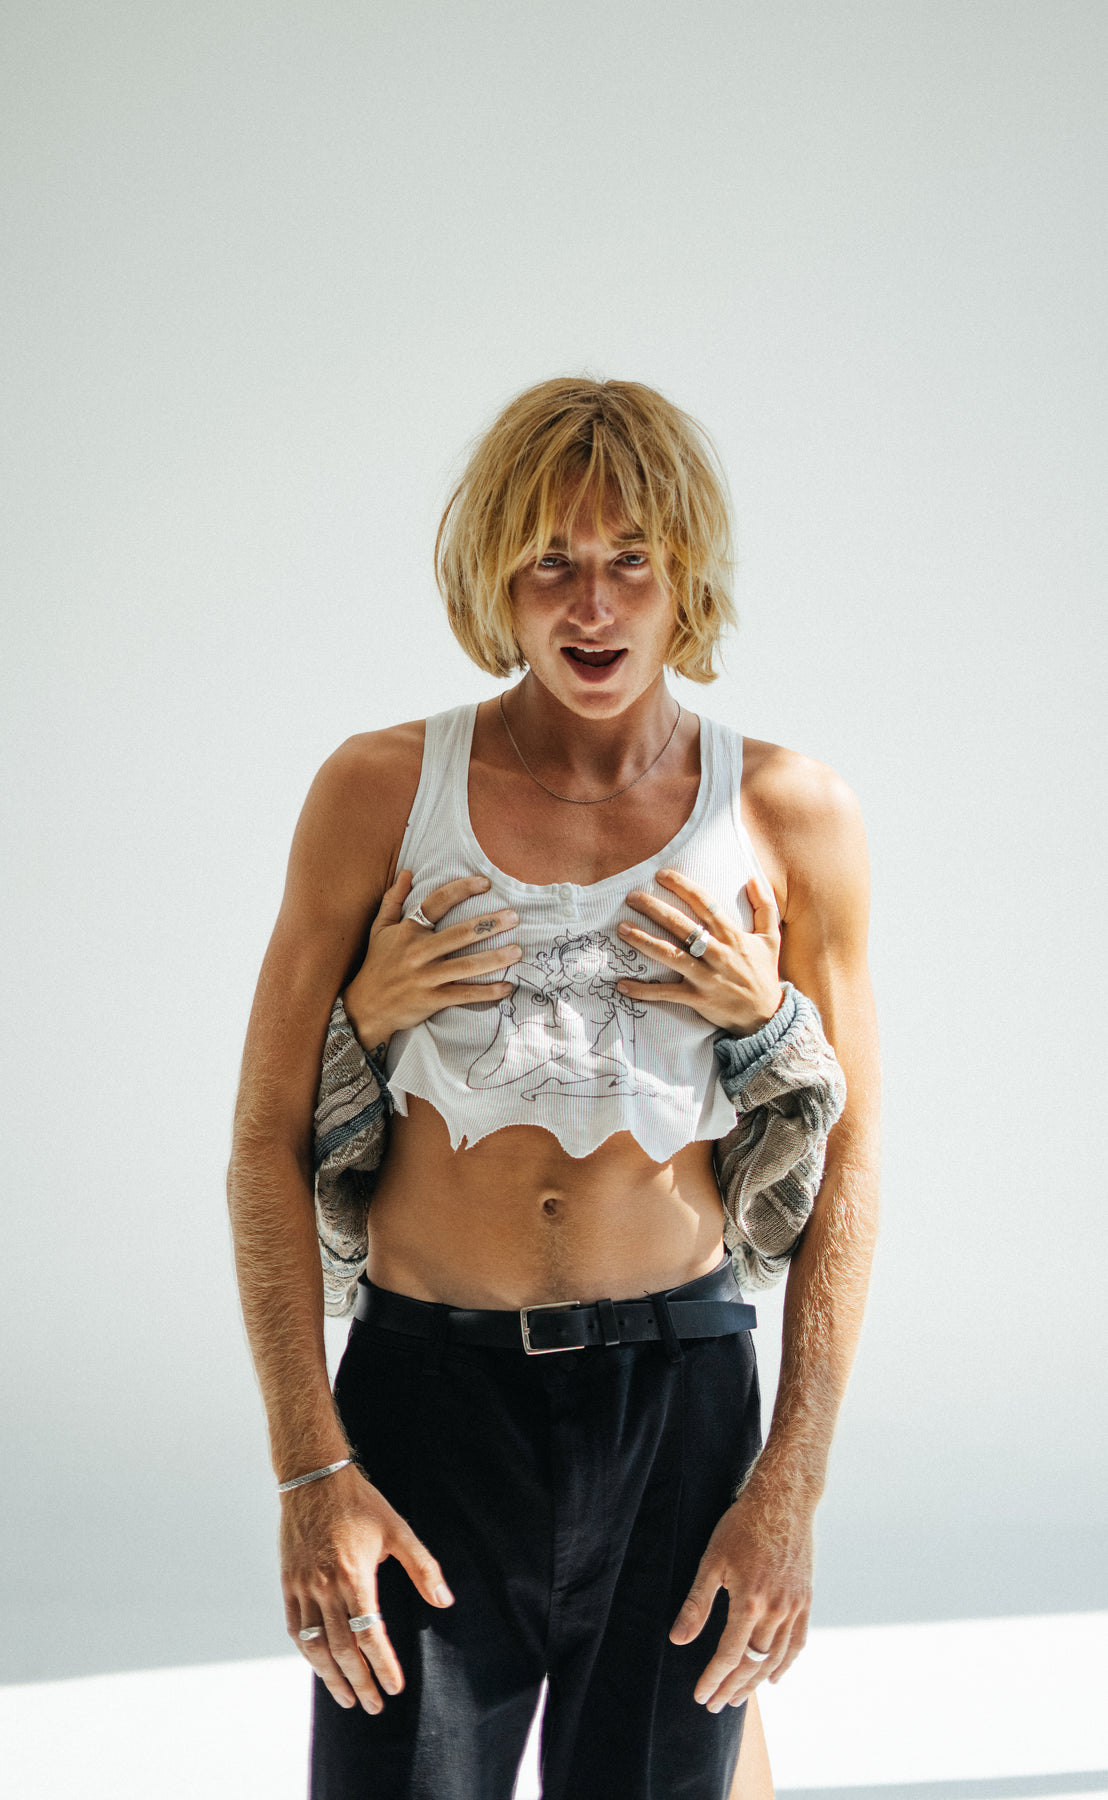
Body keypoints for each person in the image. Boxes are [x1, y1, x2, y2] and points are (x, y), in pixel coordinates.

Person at [227, 377, 880, 1800]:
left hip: (680, 1402)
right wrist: (310, 1472)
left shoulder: (787, 812)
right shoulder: (378, 790)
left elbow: (853, 1169)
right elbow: (263, 1140)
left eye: (630, 560)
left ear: (685, 571)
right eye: (551, 563)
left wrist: (789, 1488)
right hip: (426, 1402)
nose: (593, 605)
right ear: (495, 580)